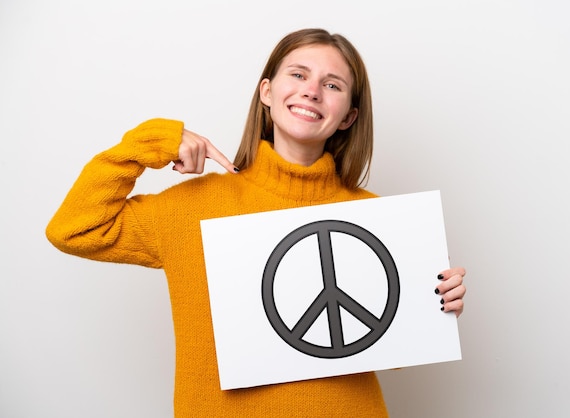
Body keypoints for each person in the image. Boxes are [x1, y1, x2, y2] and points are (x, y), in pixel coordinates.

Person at [46, 28, 467, 417]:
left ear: (348, 117)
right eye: (298, 74)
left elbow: (390, 352)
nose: (312, 91)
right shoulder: (193, 207)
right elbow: (73, 228)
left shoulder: (377, 222)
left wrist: (436, 304)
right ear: (266, 91)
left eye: (332, 84)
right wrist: (149, 142)